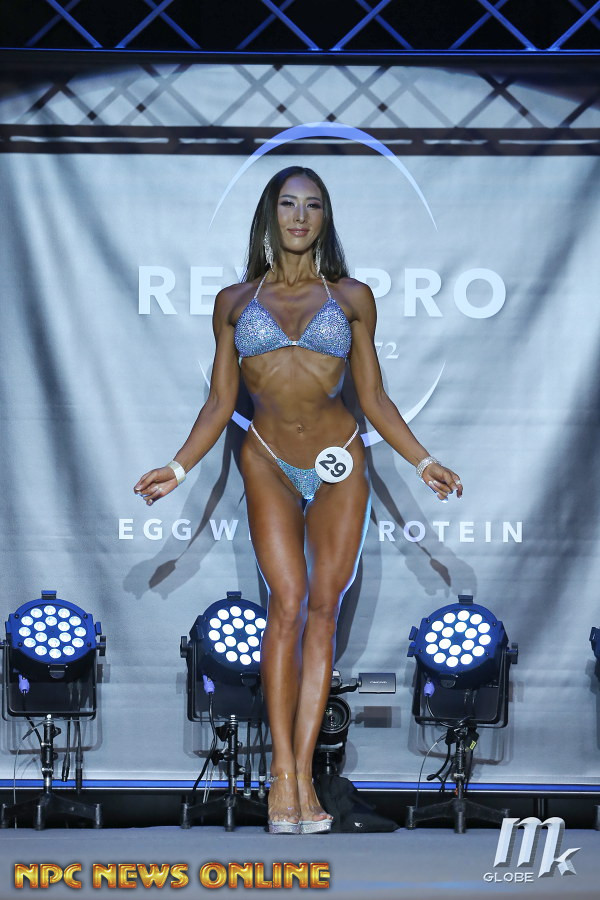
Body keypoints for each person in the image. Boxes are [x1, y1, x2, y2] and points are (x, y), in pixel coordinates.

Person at [134, 165, 462, 834]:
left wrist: (424, 460)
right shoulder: (234, 301)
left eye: (312, 206)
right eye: (288, 204)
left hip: (339, 460)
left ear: (324, 218)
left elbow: (373, 397)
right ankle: (282, 773)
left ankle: (305, 777)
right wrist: (177, 466)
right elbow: (220, 402)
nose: (300, 216)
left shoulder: (351, 297)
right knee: (284, 606)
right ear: (270, 214)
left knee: (321, 613)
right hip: (267, 459)